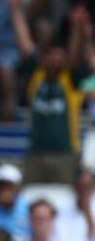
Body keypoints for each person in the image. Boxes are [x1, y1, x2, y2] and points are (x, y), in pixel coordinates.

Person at [23, 43, 83, 184]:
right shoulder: (36, 77)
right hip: (35, 153)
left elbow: (76, 55)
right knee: (31, 197)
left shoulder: (71, 80)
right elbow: (26, 47)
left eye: (60, 55)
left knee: (64, 200)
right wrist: (17, 19)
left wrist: (78, 27)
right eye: (52, 55)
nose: (55, 59)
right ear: (44, 58)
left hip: (65, 154)